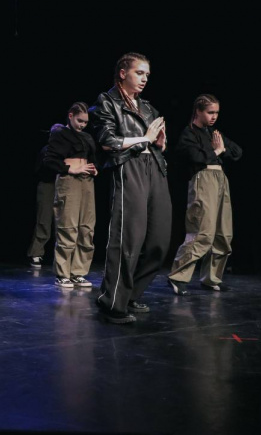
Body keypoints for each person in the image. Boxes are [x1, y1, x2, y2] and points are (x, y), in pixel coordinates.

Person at [90, 53, 171, 324]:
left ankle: (131, 293)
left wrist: (159, 142)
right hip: (128, 166)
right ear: (123, 73)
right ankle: (113, 302)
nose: (144, 78)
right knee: (128, 238)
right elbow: (107, 141)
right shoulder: (107, 101)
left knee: (159, 240)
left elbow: (155, 143)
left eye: (147, 74)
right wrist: (144, 138)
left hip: (154, 167)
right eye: (139, 73)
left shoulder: (147, 107)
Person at [167, 95, 242, 295]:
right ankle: (177, 276)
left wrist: (221, 150)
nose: (214, 116)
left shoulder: (213, 133)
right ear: (198, 111)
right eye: (210, 112)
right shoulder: (189, 134)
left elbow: (236, 151)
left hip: (220, 179)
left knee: (223, 233)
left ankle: (211, 278)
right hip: (203, 179)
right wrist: (216, 151)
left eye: (216, 112)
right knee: (202, 231)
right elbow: (195, 157)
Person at [44, 103, 98, 288]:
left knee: (86, 228)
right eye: (79, 120)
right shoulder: (60, 134)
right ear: (70, 116)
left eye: (85, 122)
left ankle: (78, 272)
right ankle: (62, 273)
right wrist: (70, 168)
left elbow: (93, 158)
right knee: (68, 226)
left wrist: (94, 168)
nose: (82, 125)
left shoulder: (87, 137)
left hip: (87, 181)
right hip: (69, 181)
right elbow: (49, 160)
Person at [27, 124, 65, 268]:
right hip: (48, 185)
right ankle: (36, 253)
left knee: (63, 222)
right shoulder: (47, 150)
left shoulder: (66, 149)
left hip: (63, 185)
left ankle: (61, 254)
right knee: (44, 219)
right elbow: (40, 170)